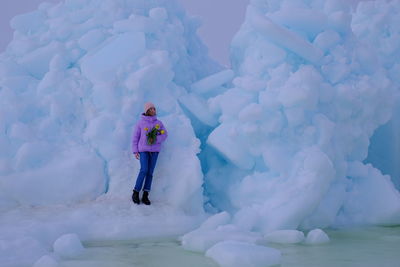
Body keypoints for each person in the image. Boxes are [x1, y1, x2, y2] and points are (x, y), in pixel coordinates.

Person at [131, 102, 168, 205]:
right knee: (144, 170)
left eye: (154, 109)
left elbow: (165, 135)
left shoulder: (159, 123)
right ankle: (135, 192)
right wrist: (135, 151)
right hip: (143, 150)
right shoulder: (140, 123)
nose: (153, 110)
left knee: (150, 172)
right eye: (151, 109)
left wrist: (155, 139)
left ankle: (145, 195)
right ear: (147, 111)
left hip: (155, 151)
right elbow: (135, 138)